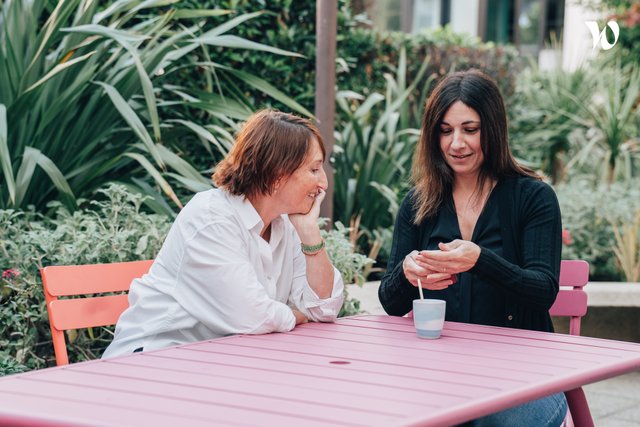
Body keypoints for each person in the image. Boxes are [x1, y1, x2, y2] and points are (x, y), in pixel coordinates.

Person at [378, 69, 567, 426]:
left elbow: (544, 291)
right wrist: (406, 274)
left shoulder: (533, 197)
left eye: (470, 129)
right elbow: (391, 303)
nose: (456, 144)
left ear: (492, 129)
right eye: (445, 131)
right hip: (440, 372)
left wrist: (480, 260)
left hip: (523, 372)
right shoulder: (418, 203)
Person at [103, 110, 344, 358]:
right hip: (152, 357)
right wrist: (298, 315)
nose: (323, 183)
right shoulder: (211, 219)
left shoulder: (286, 223)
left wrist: (310, 233)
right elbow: (253, 316)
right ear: (277, 175)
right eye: (314, 170)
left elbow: (325, 309)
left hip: (219, 362)